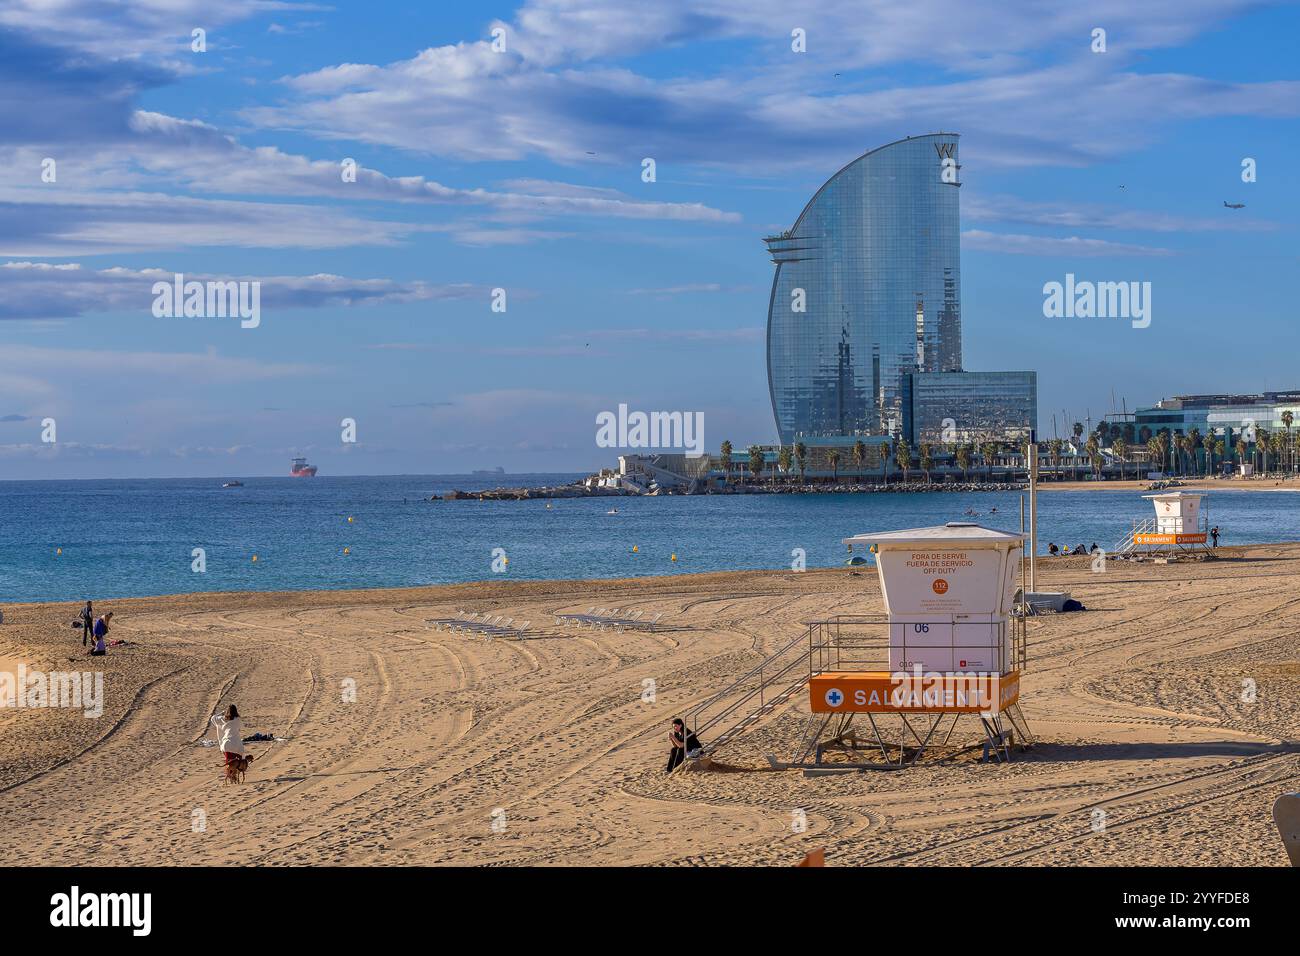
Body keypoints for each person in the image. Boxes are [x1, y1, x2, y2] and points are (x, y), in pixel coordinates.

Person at [210, 705, 250, 779]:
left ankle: (230, 777)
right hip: (237, 745)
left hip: (227, 744)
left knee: (229, 763)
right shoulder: (238, 719)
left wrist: (221, 713)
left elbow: (212, 718)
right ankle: (234, 777)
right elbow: (242, 726)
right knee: (238, 763)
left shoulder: (222, 719)